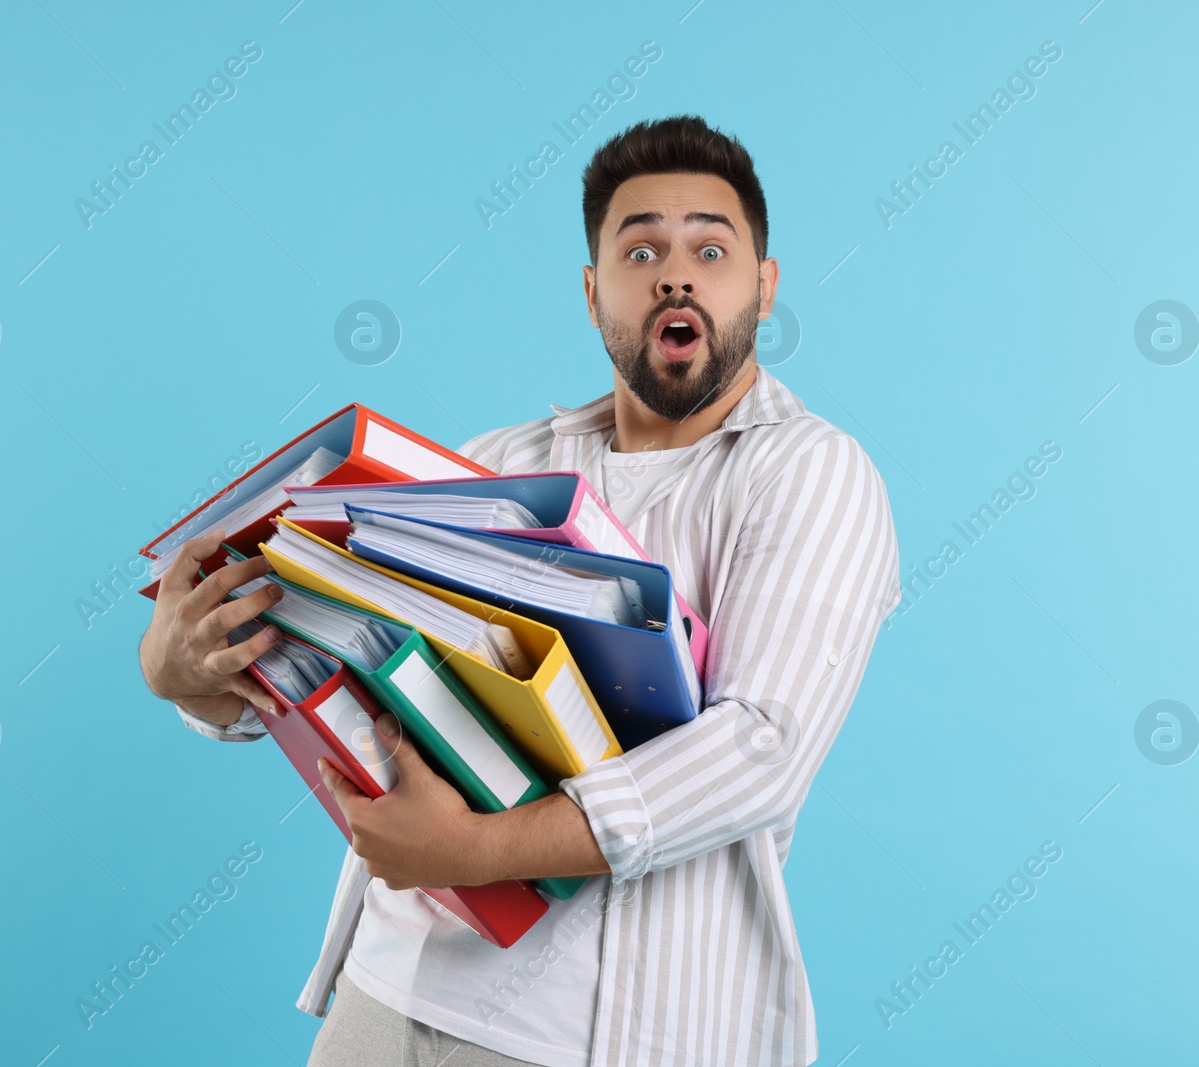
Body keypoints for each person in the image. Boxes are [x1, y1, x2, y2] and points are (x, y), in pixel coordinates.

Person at [138, 114, 902, 1067]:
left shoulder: (814, 472)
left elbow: (760, 747)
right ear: (593, 294)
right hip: (386, 988)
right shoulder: (494, 465)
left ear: (765, 284)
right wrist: (195, 679)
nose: (676, 274)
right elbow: (363, 668)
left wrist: (478, 853)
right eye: (640, 251)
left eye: (712, 246)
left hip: (601, 1031)